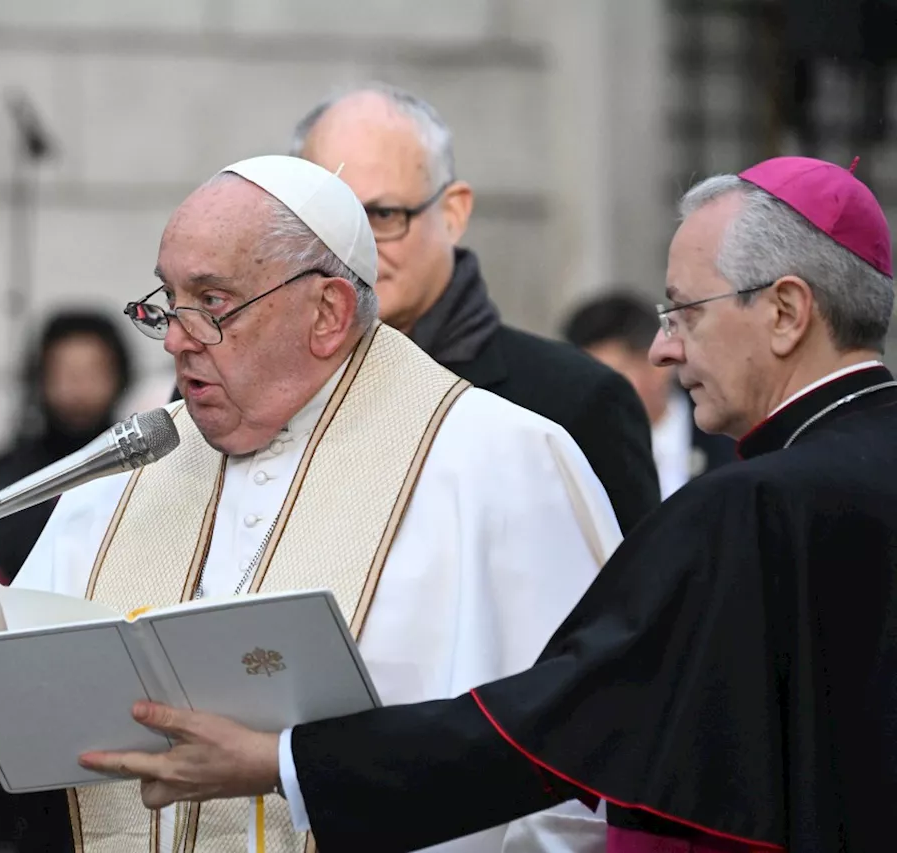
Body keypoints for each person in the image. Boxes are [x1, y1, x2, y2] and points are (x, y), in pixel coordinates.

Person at [76, 155, 897, 852]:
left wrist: (284, 760)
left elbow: (557, 728)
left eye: (683, 309)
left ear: (786, 311)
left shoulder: (748, 507)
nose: (662, 346)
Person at [0, 154, 624, 852]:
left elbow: (581, 762)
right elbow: (45, 712)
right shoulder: (137, 461)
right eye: (166, 300)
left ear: (327, 315)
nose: (177, 337)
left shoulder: (497, 460)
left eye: (211, 301)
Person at [284, 82, 661, 533]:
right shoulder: (238, 388)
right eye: (329, 219)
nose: (355, 248)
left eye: (383, 216)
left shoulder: (577, 403)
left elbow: (630, 598)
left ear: (453, 213)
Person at [0, 310, 132, 579]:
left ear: (119, 377)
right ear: (41, 378)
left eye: (92, 372)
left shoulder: (143, 475)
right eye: (66, 373)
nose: (79, 387)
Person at [562, 291, 736, 497]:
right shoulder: (573, 453)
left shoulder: (727, 435)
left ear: (658, 365)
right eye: (583, 379)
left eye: (611, 376)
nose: (593, 392)